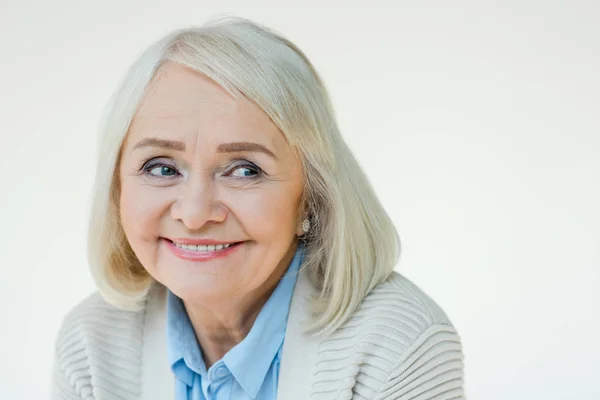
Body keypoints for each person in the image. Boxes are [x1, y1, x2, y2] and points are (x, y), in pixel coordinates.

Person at [52, 17, 465, 400]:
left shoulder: (396, 346)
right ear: (117, 187)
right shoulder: (93, 343)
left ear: (312, 194)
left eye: (245, 170)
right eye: (161, 167)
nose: (195, 214)